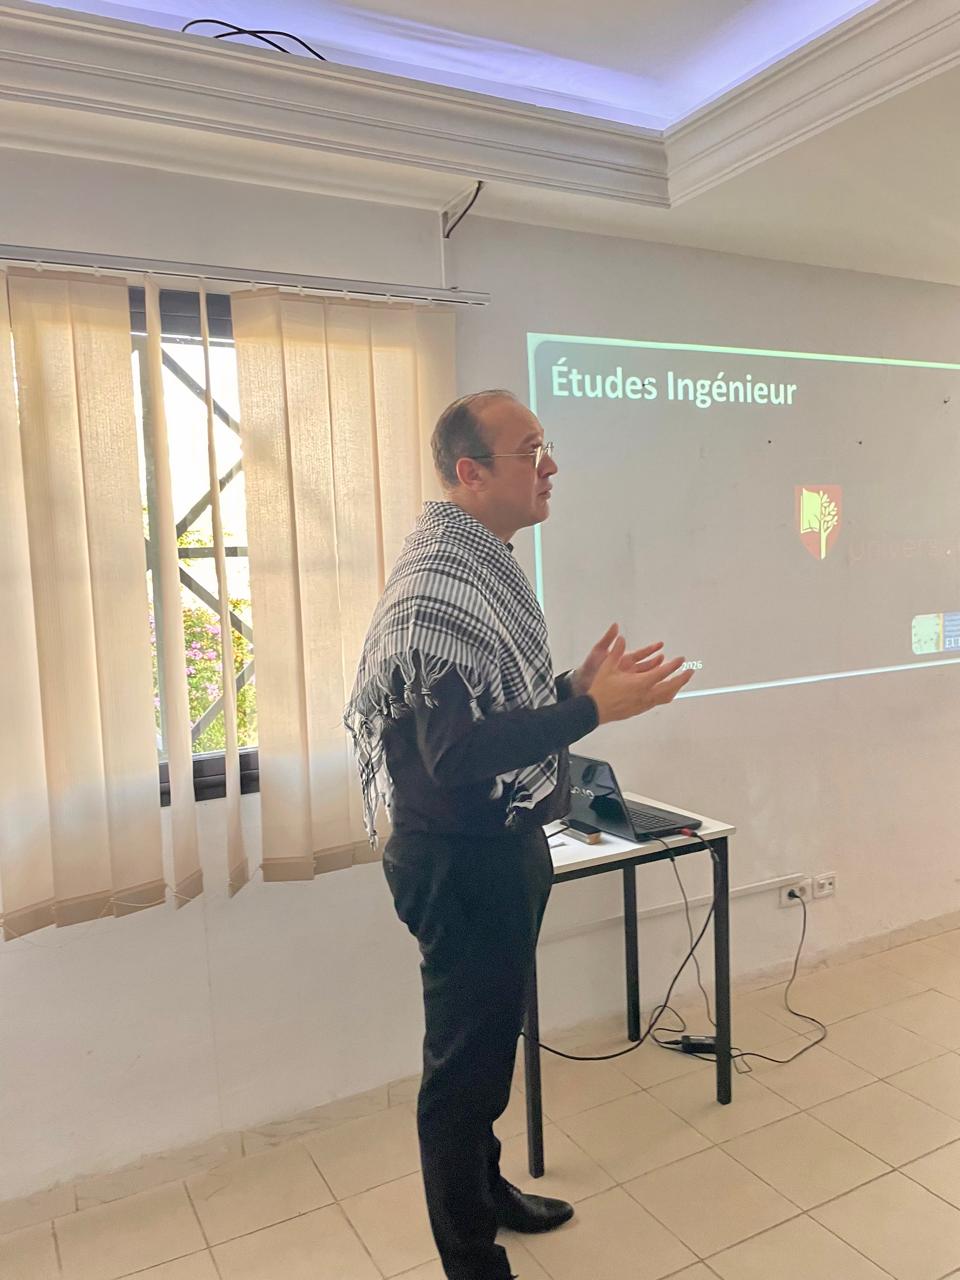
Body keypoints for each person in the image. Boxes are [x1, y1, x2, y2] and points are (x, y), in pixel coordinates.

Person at [345, 390, 693, 1280]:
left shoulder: (479, 564)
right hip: (460, 862)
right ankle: (469, 1257)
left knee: (488, 1053)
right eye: (530, 451)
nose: (551, 466)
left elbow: (489, 713)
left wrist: (571, 687)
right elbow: (457, 755)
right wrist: (588, 710)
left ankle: (487, 1192)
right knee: (462, 1072)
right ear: (470, 473)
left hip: (499, 848)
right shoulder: (436, 587)